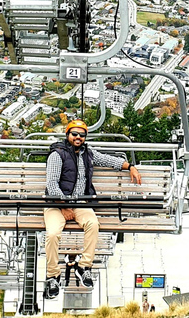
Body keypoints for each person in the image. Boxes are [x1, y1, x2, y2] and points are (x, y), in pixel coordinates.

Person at [43, 119, 142, 299]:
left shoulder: (88, 153)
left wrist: (130, 167)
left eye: (82, 135)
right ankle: (52, 275)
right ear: (67, 135)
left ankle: (84, 266)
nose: (78, 137)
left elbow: (109, 160)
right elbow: (51, 185)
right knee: (52, 234)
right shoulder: (57, 155)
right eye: (75, 134)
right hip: (56, 205)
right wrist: (64, 206)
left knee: (92, 224)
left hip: (80, 203)